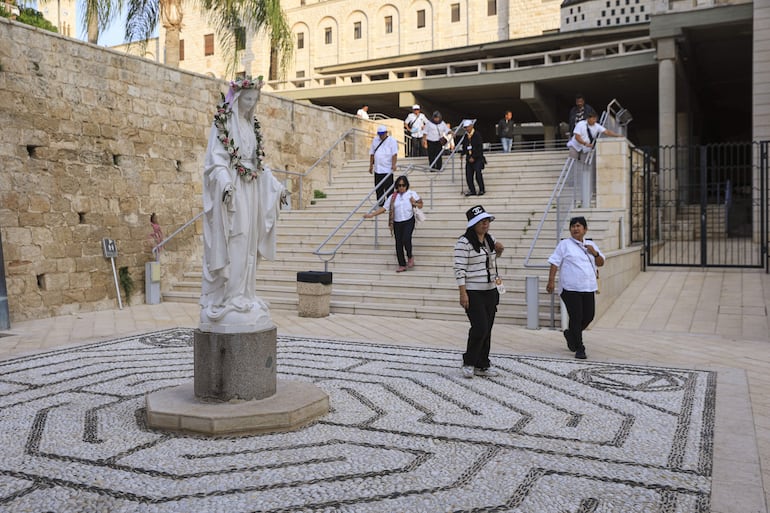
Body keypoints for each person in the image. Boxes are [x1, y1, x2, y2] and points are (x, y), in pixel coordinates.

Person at [200, 76, 286, 334]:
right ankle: (232, 294)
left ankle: (246, 293)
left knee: (250, 239)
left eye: (254, 100)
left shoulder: (251, 126)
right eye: (247, 99)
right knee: (237, 237)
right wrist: (225, 182)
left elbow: (258, 163)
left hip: (253, 188)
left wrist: (276, 186)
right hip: (234, 188)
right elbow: (216, 159)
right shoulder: (224, 123)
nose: (251, 105)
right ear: (238, 97)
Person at [454, 205, 504, 378]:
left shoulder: (490, 239)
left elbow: (492, 260)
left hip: (490, 290)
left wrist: (499, 251)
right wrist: (463, 292)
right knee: (479, 327)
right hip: (473, 291)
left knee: (487, 328)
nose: (485, 224)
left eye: (487, 221)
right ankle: (469, 361)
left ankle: (483, 364)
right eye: (481, 221)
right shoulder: (464, 242)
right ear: (473, 224)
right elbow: (459, 268)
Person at [546, 216, 605, 360]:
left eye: (578, 226)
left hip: (588, 287)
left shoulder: (591, 245)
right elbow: (554, 262)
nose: (575, 229)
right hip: (570, 288)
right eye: (573, 226)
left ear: (585, 229)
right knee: (576, 316)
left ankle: (571, 335)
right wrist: (551, 281)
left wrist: (594, 252)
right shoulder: (565, 244)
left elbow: (601, 262)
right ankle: (580, 348)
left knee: (589, 316)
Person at [363, 175, 423, 272]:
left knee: (406, 239)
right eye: (399, 185)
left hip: (408, 220)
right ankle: (402, 264)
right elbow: (384, 208)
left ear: (406, 185)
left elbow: (420, 205)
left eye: (403, 185)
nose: (401, 187)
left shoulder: (412, 194)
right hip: (397, 222)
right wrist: (372, 215)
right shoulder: (393, 197)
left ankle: (410, 256)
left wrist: (414, 203)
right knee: (398, 243)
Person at [369, 125, 398, 206]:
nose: (381, 136)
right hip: (378, 168)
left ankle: (390, 204)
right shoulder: (375, 140)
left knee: (389, 188)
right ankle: (381, 204)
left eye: (382, 134)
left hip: (387, 168)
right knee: (379, 188)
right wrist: (371, 166)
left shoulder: (392, 140)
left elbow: (394, 154)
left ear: (386, 133)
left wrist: (394, 165)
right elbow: (372, 153)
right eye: (380, 134)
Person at [459, 119, 486, 196]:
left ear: (471, 126)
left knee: (478, 173)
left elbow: (479, 148)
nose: (466, 129)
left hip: (477, 158)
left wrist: (474, 157)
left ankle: (481, 189)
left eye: (467, 127)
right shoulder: (465, 136)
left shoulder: (477, 135)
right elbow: (465, 147)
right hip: (469, 158)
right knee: (468, 175)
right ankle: (472, 190)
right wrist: (462, 154)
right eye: (465, 128)